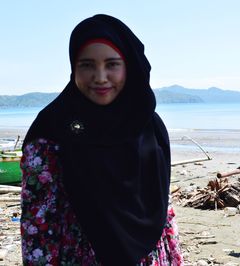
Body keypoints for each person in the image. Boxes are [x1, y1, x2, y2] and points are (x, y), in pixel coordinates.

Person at [20, 14, 184, 265]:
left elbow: (163, 210)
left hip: (150, 257)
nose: (100, 77)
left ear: (128, 65)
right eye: (86, 64)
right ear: (73, 67)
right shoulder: (51, 131)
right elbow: (38, 222)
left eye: (112, 64)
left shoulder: (149, 125)